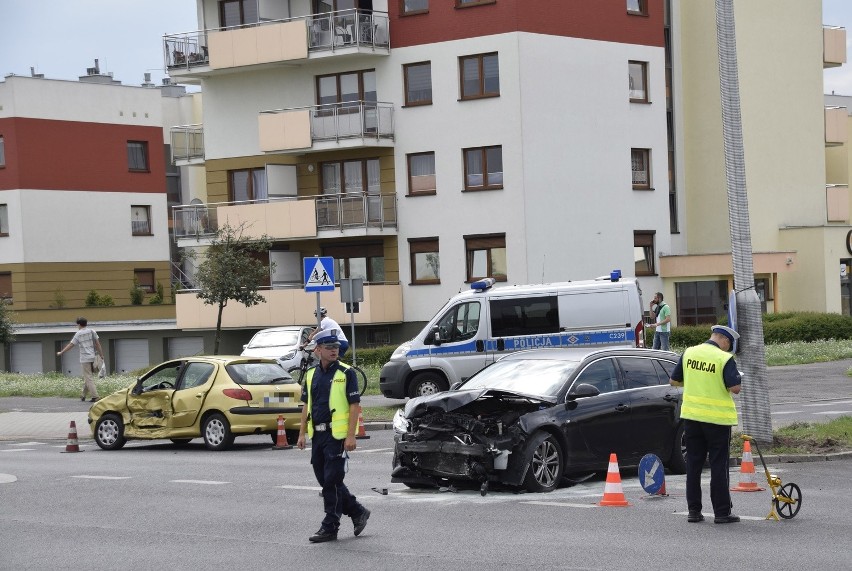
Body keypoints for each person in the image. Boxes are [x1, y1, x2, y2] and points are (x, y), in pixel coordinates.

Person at [296, 328, 370, 543]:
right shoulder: (311, 374)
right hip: (317, 436)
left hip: (336, 436)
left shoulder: (346, 373)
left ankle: (330, 526)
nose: (334, 351)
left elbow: (355, 406)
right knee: (327, 481)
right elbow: (306, 405)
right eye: (329, 348)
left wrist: (351, 436)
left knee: (331, 482)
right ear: (318, 350)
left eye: (336, 347)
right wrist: (301, 433)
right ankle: (357, 511)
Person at [669, 324, 742, 524]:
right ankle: (721, 513)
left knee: (693, 464)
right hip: (717, 420)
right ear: (725, 340)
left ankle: (694, 511)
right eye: (729, 344)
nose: (728, 348)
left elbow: (674, 381)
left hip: (692, 419)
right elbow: (735, 388)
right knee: (719, 465)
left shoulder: (689, 353)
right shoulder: (724, 358)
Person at [57, 317, 104, 402]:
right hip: (93, 357)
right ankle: (83, 395)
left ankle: (95, 396)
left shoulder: (78, 334)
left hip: (85, 358)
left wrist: (62, 352)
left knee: (88, 377)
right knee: (88, 376)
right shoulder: (92, 331)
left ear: (79, 324)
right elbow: (98, 344)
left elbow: (71, 345)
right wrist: (101, 355)